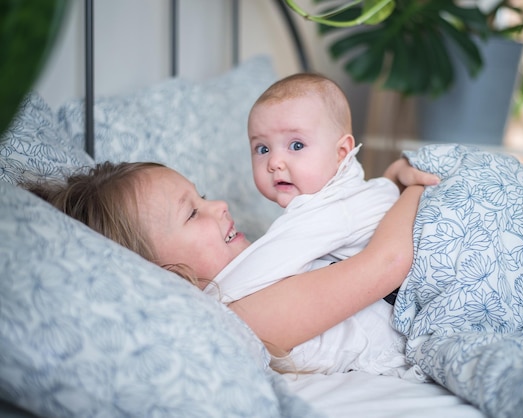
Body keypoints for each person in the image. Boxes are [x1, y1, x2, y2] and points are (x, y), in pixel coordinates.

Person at [25, 157, 435, 377]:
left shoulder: (256, 270)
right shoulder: (244, 315)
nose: (219, 205)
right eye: (192, 214)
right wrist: (410, 186)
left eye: (201, 196)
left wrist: (388, 180)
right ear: (164, 276)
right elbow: (386, 264)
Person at [211, 73, 416, 304]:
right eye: (262, 149)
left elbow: (263, 264)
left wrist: (210, 296)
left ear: (341, 153)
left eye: (296, 145)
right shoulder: (357, 192)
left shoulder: (328, 211)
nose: (274, 162)